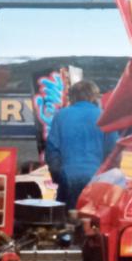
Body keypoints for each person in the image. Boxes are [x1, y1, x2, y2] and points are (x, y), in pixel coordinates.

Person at [45, 80, 118, 209]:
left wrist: (58, 177)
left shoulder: (60, 116)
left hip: (68, 176)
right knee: (92, 220)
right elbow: (113, 152)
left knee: (67, 219)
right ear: (93, 96)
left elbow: (52, 151)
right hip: (97, 178)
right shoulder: (105, 116)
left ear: (72, 97)